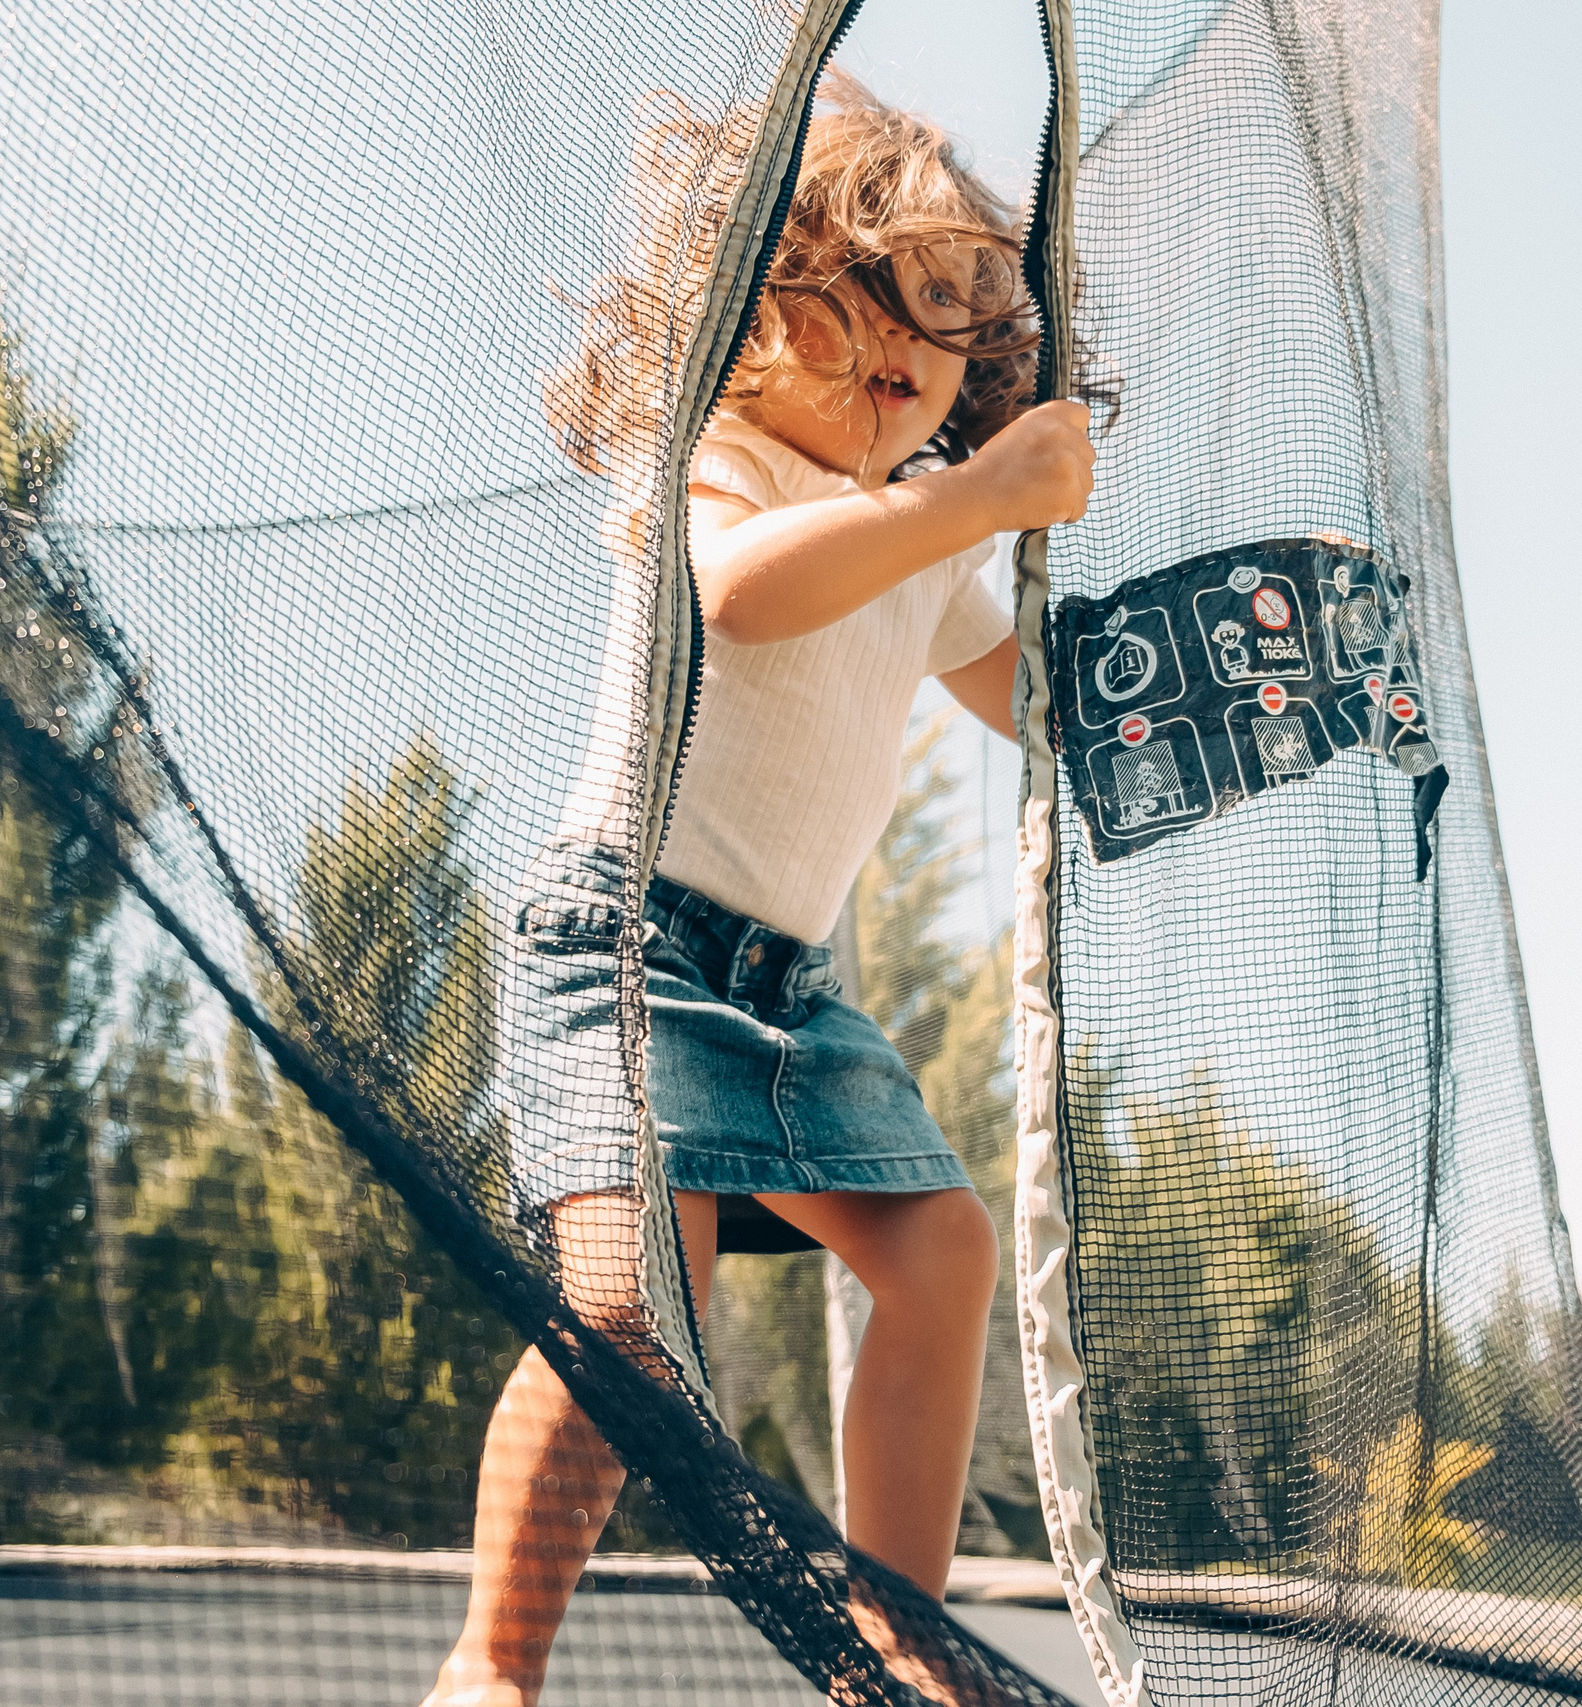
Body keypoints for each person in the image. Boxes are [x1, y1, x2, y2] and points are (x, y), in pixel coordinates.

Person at [422, 74, 1094, 1707]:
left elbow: (1033, 702)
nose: (905, 349)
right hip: (626, 943)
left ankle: (894, 1651)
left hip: (792, 992)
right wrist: (976, 498)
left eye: (943, 333)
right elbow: (741, 598)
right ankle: (491, 1672)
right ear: (750, 296)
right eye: (866, 297)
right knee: (639, 1306)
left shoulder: (919, 531)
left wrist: (1200, 686)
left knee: (939, 1255)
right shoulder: (715, 453)